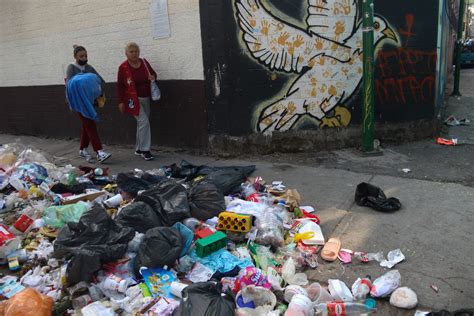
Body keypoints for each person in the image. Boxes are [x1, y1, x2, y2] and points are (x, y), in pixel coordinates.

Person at [66, 45, 111, 163]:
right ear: (75, 56)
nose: (84, 58)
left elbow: (100, 80)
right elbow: (70, 85)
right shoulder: (71, 68)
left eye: (85, 56)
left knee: (87, 126)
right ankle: (99, 152)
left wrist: (98, 94)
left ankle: (82, 149)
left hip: (90, 102)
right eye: (81, 56)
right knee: (90, 125)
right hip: (78, 102)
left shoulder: (89, 68)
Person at [117, 42, 157, 161]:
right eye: (131, 51)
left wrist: (153, 77)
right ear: (126, 53)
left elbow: (153, 74)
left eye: (136, 51)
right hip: (132, 100)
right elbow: (120, 86)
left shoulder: (144, 63)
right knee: (144, 122)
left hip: (146, 97)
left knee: (142, 123)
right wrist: (121, 102)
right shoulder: (123, 67)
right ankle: (145, 150)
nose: (134, 53)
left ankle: (139, 148)